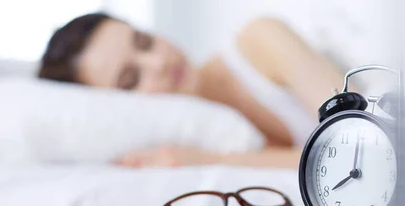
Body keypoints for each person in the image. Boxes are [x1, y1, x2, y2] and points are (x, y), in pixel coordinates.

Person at [37, 12, 350, 169]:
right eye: (131, 79)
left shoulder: (260, 40)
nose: (158, 62)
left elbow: (361, 144)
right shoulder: (177, 150)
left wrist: (210, 160)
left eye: (145, 42)